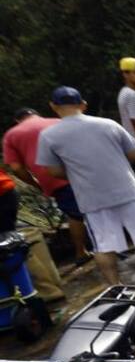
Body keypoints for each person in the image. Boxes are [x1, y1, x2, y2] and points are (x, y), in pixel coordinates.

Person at [36, 86, 135, 293]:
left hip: (92, 198)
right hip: (128, 190)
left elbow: (53, 171)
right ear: (83, 104)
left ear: (53, 107)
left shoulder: (48, 136)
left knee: (103, 245)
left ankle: (116, 288)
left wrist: (77, 176)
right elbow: (134, 154)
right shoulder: (108, 124)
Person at [3, 108, 91, 264]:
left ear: (17, 120)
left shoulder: (11, 135)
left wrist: (36, 184)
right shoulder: (57, 121)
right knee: (97, 208)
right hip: (79, 171)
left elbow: (16, 168)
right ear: (36, 115)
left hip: (51, 179)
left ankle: (81, 252)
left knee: (74, 215)